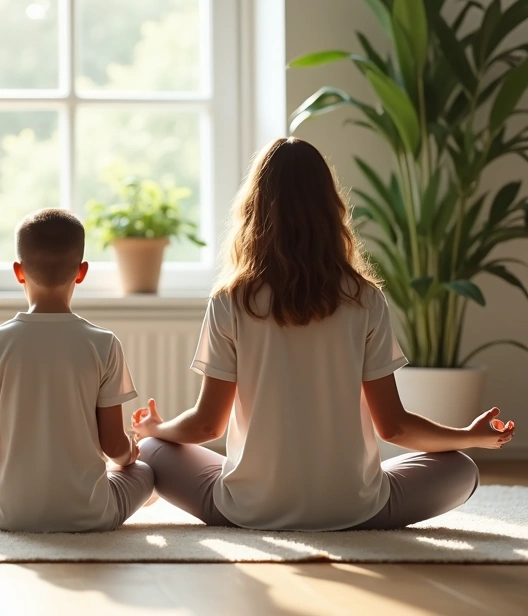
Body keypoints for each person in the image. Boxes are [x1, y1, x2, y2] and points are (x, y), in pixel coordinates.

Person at [133, 137, 515, 531]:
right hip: (356, 509)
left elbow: (206, 427)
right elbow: (395, 427)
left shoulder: (231, 300)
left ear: (254, 210)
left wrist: (154, 429)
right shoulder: (365, 299)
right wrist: (468, 436)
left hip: (248, 509)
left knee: (152, 450)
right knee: (462, 468)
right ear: (330, 210)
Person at [0, 208, 154, 533]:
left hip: (9, 516)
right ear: (81, 272)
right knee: (145, 472)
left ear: (18, 271)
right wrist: (131, 455)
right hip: (92, 516)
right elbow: (114, 447)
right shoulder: (104, 344)